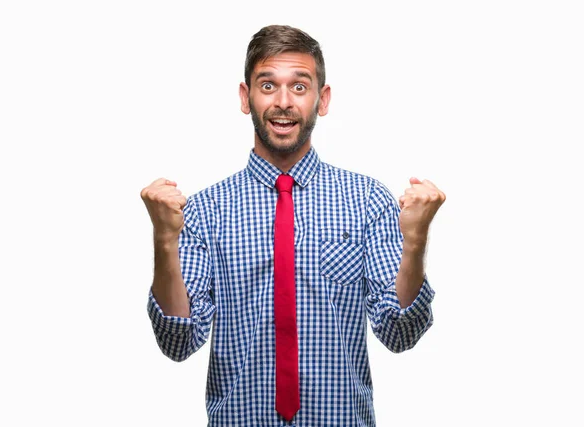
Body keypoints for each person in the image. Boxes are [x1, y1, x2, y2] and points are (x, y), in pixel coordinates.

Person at [141, 24, 445, 427]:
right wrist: (164, 239)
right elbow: (178, 342)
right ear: (245, 98)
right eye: (268, 86)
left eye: (299, 87)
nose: (283, 102)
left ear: (323, 99)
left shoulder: (367, 200)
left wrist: (416, 240)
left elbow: (399, 333)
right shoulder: (205, 210)